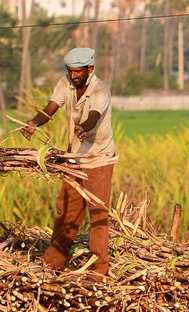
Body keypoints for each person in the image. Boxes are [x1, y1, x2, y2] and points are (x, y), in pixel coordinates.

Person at [21, 47, 117, 276]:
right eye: (70, 71)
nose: (73, 75)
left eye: (78, 72)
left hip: (98, 159)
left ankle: (98, 269)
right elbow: (51, 107)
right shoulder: (66, 83)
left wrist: (83, 127)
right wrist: (34, 123)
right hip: (73, 157)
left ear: (90, 69)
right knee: (66, 210)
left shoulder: (101, 90)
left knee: (98, 214)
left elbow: (94, 116)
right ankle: (54, 262)